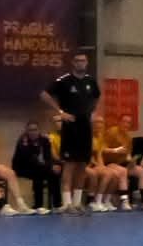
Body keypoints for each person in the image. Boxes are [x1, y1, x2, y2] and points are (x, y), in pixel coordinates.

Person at [41, 52, 100, 216]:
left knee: (82, 165)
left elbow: (97, 97)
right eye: (78, 60)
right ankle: (66, 204)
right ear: (73, 63)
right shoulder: (64, 80)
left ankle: (76, 203)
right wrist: (60, 112)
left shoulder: (90, 81)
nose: (81, 63)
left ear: (87, 63)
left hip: (85, 129)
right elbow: (44, 94)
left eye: (83, 60)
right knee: (70, 165)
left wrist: (93, 112)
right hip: (71, 128)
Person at [11, 120, 59, 213]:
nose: (33, 132)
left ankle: (57, 204)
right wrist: (48, 167)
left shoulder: (44, 140)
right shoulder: (23, 141)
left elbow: (48, 157)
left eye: (35, 130)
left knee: (54, 173)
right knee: (38, 173)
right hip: (22, 167)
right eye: (30, 130)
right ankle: (38, 205)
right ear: (27, 131)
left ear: (39, 130)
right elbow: (30, 159)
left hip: (38, 166)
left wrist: (53, 166)